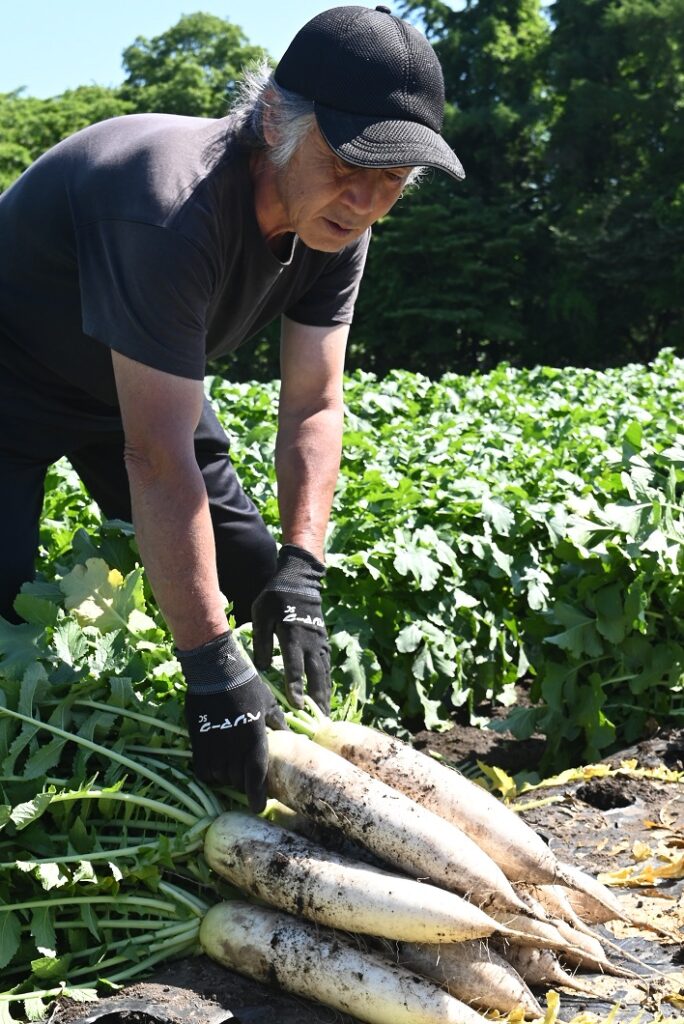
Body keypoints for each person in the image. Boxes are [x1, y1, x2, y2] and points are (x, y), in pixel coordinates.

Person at [0, 5, 464, 811]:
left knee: (258, 582)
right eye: (348, 162)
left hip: (128, 386)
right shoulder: (170, 204)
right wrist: (209, 664)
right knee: (5, 608)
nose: (362, 200)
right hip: (7, 377)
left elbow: (315, 402)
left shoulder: (337, 226)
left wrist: (302, 569)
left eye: (391, 180)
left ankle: (291, 798)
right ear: (275, 117)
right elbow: (157, 455)